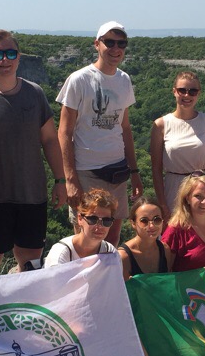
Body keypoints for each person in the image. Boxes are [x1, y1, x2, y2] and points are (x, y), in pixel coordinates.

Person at [0, 30, 67, 274]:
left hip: (31, 193)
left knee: (30, 265)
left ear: (19, 57)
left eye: (10, 53)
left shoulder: (35, 93)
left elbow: (50, 139)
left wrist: (60, 180)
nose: (4, 60)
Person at [57, 21, 142, 246]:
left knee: (111, 240)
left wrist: (134, 171)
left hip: (117, 171)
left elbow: (125, 128)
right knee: (85, 240)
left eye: (121, 44)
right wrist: (70, 179)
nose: (116, 49)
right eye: (109, 42)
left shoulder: (124, 80)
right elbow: (64, 131)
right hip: (86, 170)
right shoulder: (79, 79)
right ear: (97, 44)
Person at [149, 71, 205, 219]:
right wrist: (162, 203)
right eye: (182, 90)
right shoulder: (160, 125)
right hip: (174, 190)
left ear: (198, 94)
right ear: (174, 91)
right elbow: (156, 169)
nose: (187, 95)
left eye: (192, 91)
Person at [43, 188, 119, 267]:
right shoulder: (62, 252)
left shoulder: (110, 252)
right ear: (80, 219)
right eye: (93, 219)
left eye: (106, 221)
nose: (99, 226)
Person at [119, 195, 171, 279]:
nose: (151, 226)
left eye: (157, 220)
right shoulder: (123, 257)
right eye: (144, 221)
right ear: (133, 223)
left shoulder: (165, 250)